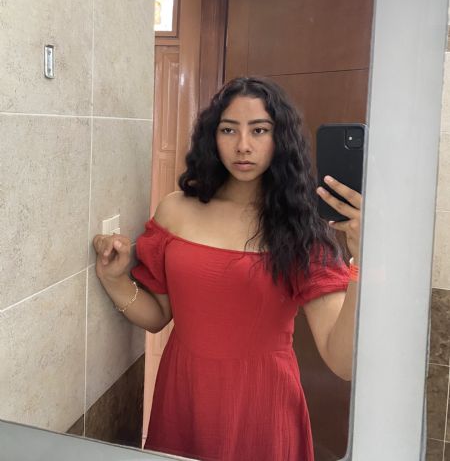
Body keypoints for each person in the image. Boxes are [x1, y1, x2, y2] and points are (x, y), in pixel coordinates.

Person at [93, 77, 362, 461]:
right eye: (229, 130)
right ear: (212, 137)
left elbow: (342, 363)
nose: (243, 145)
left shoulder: (300, 231)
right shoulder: (175, 210)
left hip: (262, 407)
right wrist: (114, 278)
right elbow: (157, 317)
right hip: (184, 396)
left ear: (281, 139)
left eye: (259, 130)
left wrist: (361, 263)